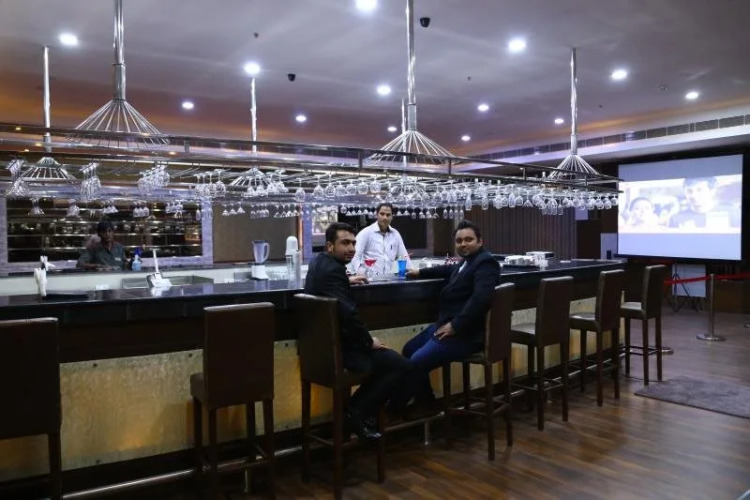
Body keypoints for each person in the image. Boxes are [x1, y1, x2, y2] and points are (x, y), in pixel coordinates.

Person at [303, 222, 412, 439]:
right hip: (342, 352)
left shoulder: (320, 263)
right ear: (330, 246)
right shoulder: (334, 271)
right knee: (401, 367)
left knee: (391, 363)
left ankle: (356, 414)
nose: (352, 248)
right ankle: (356, 412)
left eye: (353, 243)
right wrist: (369, 342)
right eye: (345, 243)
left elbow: (330, 288)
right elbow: (349, 315)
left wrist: (346, 280)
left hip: (319, 350)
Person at [401, 220, 500, 416]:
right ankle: (425, 402)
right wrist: (419, 271)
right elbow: (448, 270)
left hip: (467, 333)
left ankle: (423, 406)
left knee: (417, 361)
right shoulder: (467, 261)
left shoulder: (486, 263)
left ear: (480, 241)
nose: (463, 244)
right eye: (459, 241)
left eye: (469, 240)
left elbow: (481, 299)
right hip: (448, 326)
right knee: (408, 350)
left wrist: (456, 325)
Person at [349, 203, 411, 277]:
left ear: (392, 217)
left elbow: (404, 257)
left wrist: (411, 272)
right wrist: (362, 273)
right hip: (369, 279)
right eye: (382, 214)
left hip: (387, 279)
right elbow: (355, 256)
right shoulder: (366, 233)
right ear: (376, 215)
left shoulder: (395, 234)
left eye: (388, 215)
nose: (385, 217)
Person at [669, 176, 741, 229]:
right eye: (689, 191)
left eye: (699, 190)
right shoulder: (676, 218)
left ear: (712, 191)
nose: (694, 195)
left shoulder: (733, 214)